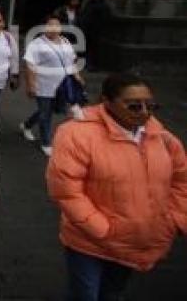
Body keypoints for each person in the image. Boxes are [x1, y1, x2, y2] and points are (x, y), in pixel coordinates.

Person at [47, 73, 187, 301]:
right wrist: (102, 229)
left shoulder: (163, 139)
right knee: (85, 295)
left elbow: (182, 182)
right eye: (134, 106)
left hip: (137, 241)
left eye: (150, 105)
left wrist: (176, 221)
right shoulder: (76, 134)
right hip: (89, 243)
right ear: (106, 102)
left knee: (111, 293)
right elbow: (66, 190)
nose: (144, 112)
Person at [20, 14, 84, 156]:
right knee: (46, 114)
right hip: (44, 86)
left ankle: (26, 125)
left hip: (62, 86)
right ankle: (46, 143)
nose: (53, 28)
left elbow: (71, 61)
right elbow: (30, 65)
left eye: (56, 25)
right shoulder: (36, 44)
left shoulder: (66, 41)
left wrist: (77, 76)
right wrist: (31, 85)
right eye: (50, 25)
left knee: (48, 110)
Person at [80, 0, 112, 71]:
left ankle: (92, 66)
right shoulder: (90, 3)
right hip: (86, 30)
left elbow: (105, 20)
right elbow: (84, 15)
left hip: (95, 32)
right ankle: (86, 64)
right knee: (86, 48)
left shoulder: (103, 5)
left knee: (94, 50)